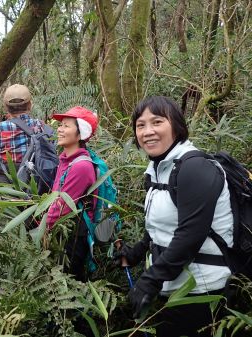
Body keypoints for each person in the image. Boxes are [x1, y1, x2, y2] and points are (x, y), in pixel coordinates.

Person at [114, 96, 233, 337]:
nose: (148, 131)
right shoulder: (159, 168)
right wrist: (138, 251)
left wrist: (151, 280)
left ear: (177, 126)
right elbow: (161, 225)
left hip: (202, 289)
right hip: (174, 284)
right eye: (140, 125)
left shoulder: (194, 168)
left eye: (157, 122)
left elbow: (191, 234)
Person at [43, 106, 99, 282]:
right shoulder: (66, 160)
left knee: (70, 281)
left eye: (66, 126)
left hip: (74, 235)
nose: (60, 129)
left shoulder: (81, 166)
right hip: (63, 231)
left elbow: (63, 206)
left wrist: (42, 230)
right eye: (60, 125)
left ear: (80, 133)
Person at [0, 84, 49, 182]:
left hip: (4, 189)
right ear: (30, 105)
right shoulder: (40, 125)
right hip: (37, 186)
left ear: (6, 107)